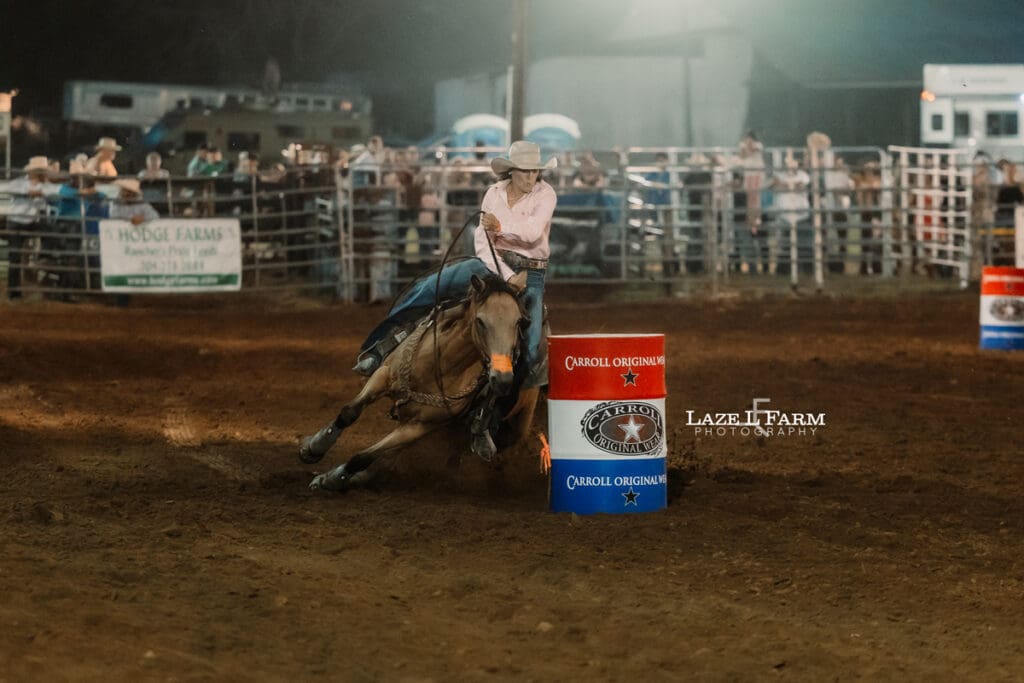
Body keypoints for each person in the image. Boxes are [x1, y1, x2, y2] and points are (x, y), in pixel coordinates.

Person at [0, 156, 61, 298]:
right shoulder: (20, 183)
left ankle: (44, 255)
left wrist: (42, 193)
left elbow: (57, 192)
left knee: (49, 229)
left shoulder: (44, 186)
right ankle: (14, 292)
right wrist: (26, 193)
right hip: (15, 222)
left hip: (30, 221)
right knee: (15, 257)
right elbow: (2, 187)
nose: (40, 173)